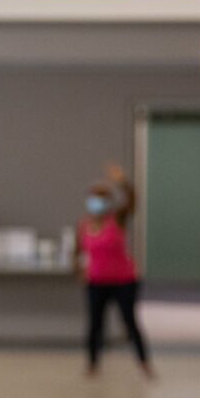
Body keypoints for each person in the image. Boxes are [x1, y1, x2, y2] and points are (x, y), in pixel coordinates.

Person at [77, 162, 154, 379]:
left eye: (102, 197)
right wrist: (80, 271)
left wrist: (122, 181)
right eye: (94, 196)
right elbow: (77, 252)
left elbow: (133, 200)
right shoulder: (84, 225)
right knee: (95, 325)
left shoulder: (117, 219)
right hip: (96, 282)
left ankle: (144, 362)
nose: (97, 201)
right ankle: (93, 364)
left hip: (123, 281)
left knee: (130, 322)